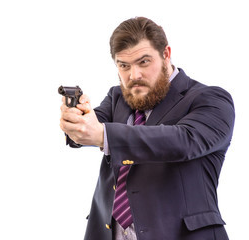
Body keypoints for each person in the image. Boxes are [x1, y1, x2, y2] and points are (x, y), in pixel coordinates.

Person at [59, 16, 235, 240]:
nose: (134, 76)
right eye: (124, 66)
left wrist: (103, 135)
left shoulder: (211, 99)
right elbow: (89, 128)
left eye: (144, 62)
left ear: (166, 54)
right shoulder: (118, 97)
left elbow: (182, 141)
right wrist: (76, 119)